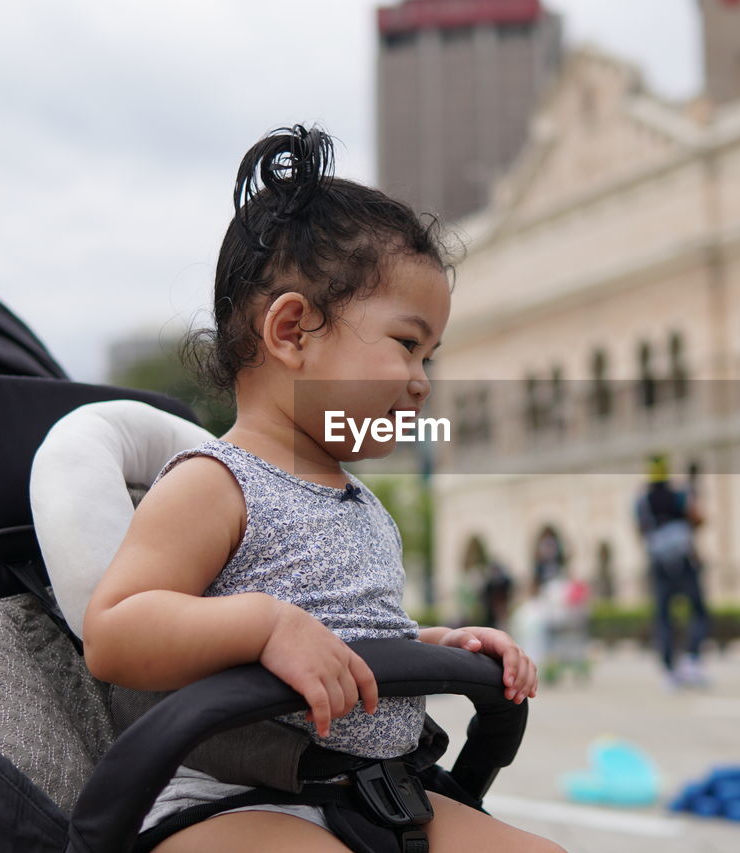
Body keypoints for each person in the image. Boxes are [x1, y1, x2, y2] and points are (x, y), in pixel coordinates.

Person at [82, 126, 561, 853]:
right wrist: (265, 625)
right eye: (407, 343)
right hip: (229, 800)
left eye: (431, 354)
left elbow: (355, 646)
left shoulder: (365, 507)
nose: (422, 379)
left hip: (376, 789)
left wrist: (442, 644)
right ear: (293, 330)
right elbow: (115, 633)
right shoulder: (215, 484)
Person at [635, 454, 707, 690]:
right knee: (698, 611)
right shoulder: (680, 495)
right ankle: (692, 660)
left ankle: (669, 669)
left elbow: (641, 530)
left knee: (664, 616)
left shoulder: (643, 501)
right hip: (684, 560)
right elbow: (697, 519)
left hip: (659, 563)